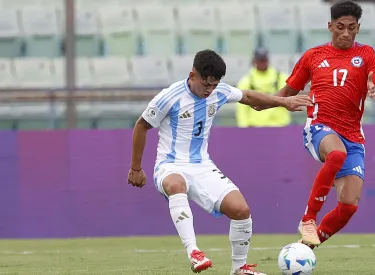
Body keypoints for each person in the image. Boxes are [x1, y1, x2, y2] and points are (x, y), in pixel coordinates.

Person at [127, 49, 312, 274]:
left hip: (202, 166)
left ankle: (239, 268)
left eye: (214, 85)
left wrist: (283, 101)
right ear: (192, 75)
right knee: (177, 185)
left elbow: (249, 97)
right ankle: (194, 252)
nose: (210, 90)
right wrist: (136, 167)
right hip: (170, 165)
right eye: (206, 84)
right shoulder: (170, 96)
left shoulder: (218, 91)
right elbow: (141, 125)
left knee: (241, 210)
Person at [261, 0, 375, 247]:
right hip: (319, 126)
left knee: (349, 206)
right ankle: (308, 218)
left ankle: (305, 248)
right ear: (330, 26)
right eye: (340, 27)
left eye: (351, 28)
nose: (346, 33)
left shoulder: (368, 55)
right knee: (336, 155)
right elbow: (290, 89)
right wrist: (264, 101)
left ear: (358, 28)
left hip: (353, 135)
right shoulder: (313, 56)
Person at [236, 47, 291, 127]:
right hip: (255, 128)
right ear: (254, 61)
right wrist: (243, 127)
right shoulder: (246, 81)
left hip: (279, 127)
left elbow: (289, 97)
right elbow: (241, 108)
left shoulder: (281, 78)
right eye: (260, 60)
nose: (262, 63)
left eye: (264, 60)